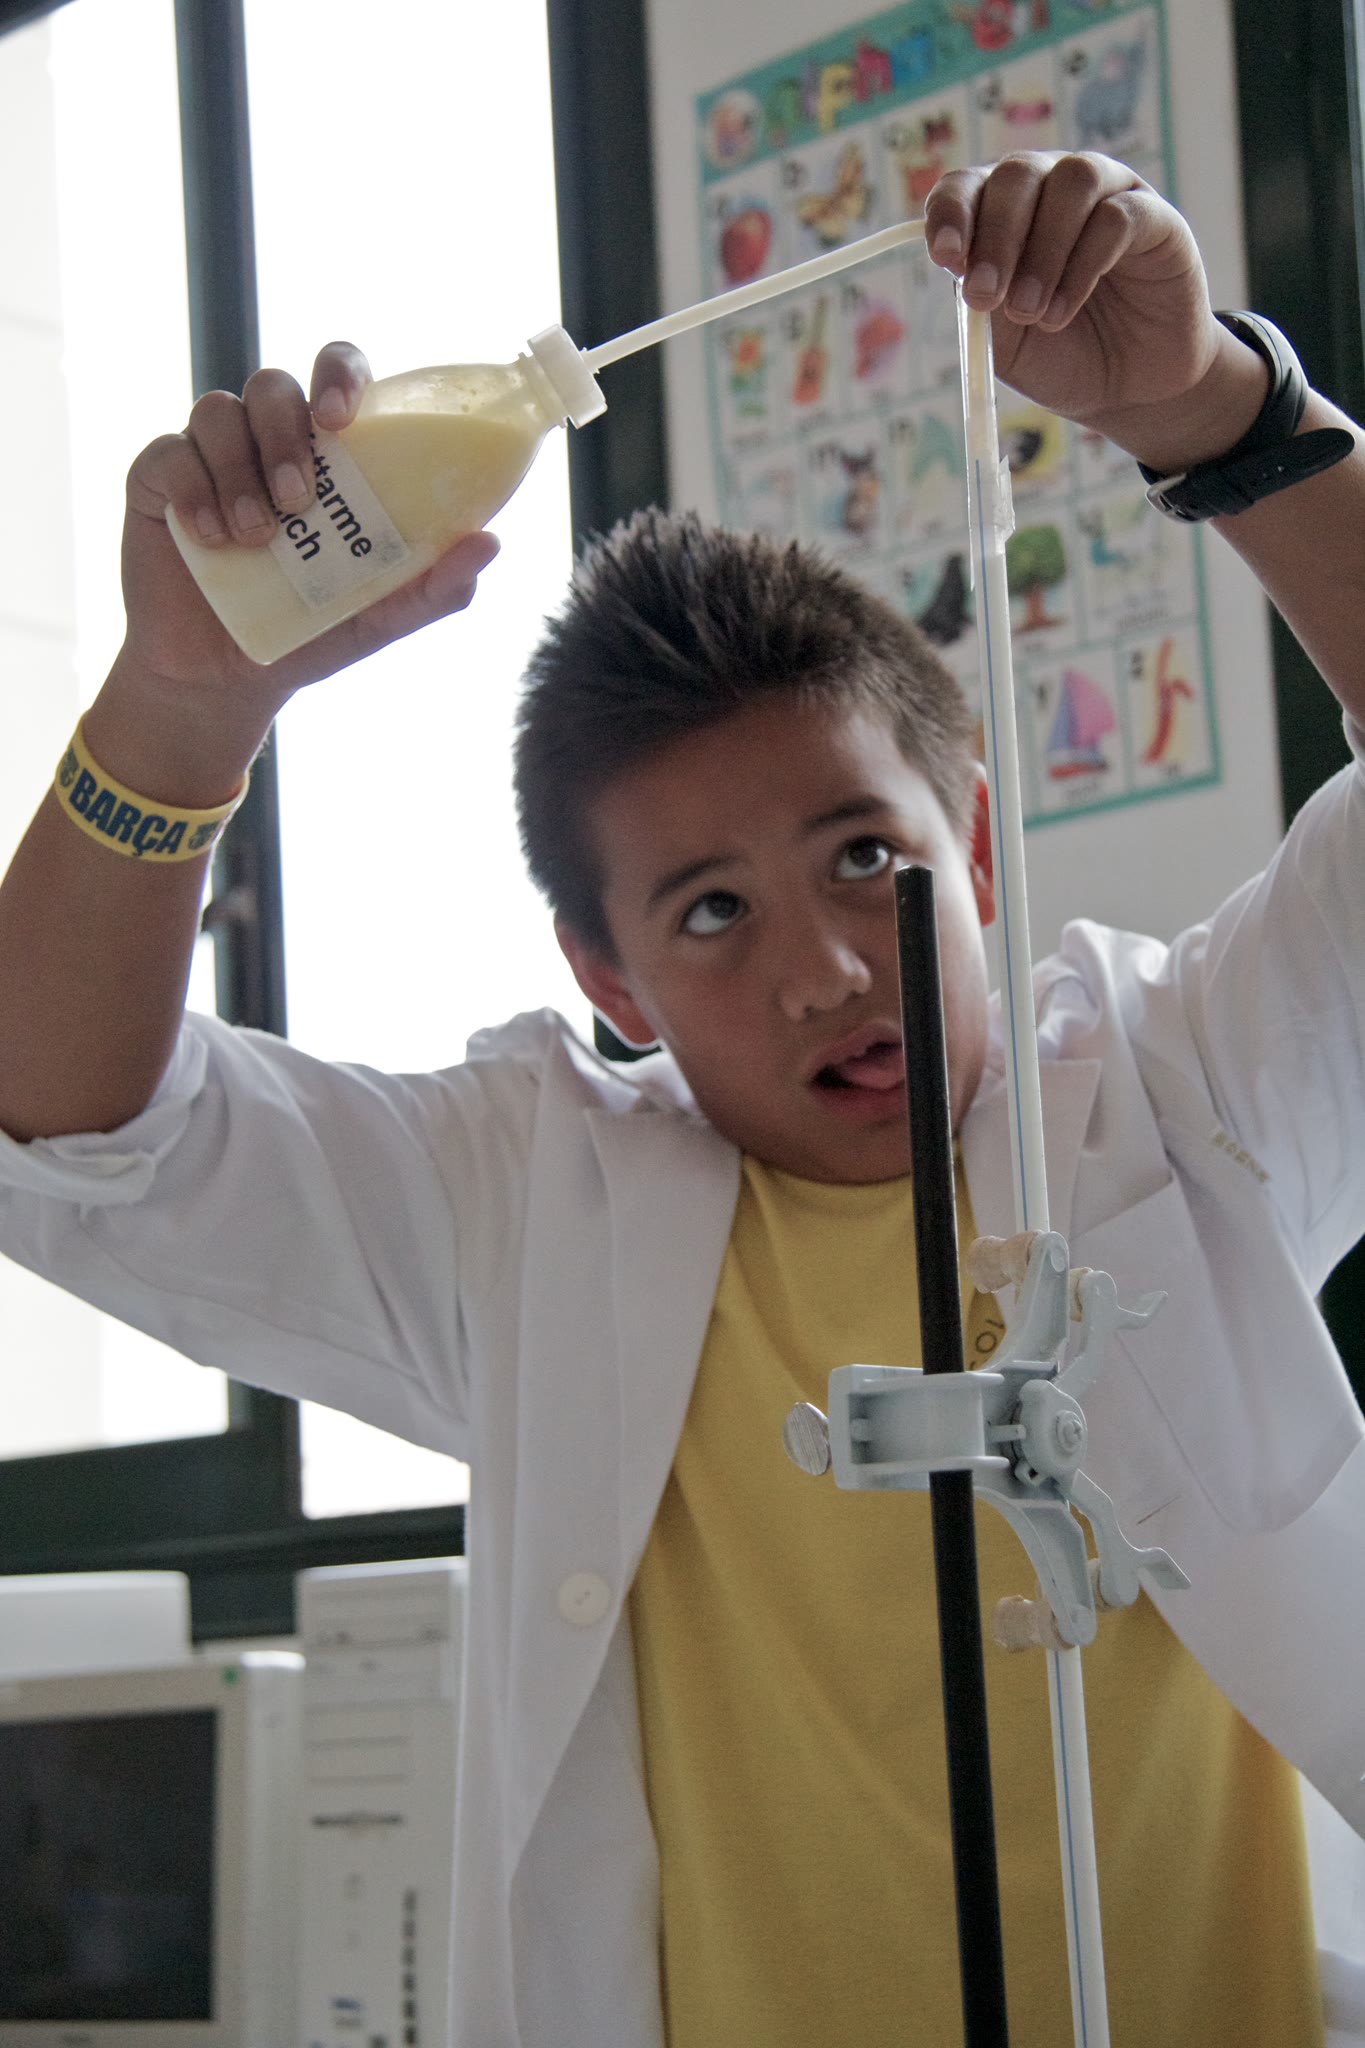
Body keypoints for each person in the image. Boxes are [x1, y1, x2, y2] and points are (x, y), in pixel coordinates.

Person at [1, 151, 1363, 2046]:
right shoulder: (522, 1209)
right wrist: (175, 707)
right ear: (610, 981)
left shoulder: (1173, 1088)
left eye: (866, 860)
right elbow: (67, 1130)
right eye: (710, 913)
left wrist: (1219, 413)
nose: (820, 971)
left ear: (974, 845)